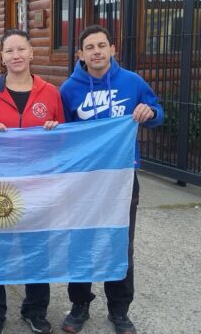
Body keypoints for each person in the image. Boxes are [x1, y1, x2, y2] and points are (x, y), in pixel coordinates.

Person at [59, 25, 164, 334]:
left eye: (102, 45)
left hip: (122, 179)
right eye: (90, 47)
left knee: (120, 245)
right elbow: (62, 135)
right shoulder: (69, 89)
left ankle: (119, 310)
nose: (97, 52)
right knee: (81, 242)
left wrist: (150, 112)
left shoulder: (132, 82)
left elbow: (158, 112)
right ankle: (79, 305)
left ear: (112, 49)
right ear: (80, 55)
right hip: (84, 181)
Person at [0, 29, 65, 334]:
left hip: (38, 184)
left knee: (37, 249)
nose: (16, 56)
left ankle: (35, 310)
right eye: (9, 51)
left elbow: (64, 141)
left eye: (21, 49)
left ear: (32, 52)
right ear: (2, 57)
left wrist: (54, 131)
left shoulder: (50, 93)